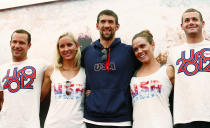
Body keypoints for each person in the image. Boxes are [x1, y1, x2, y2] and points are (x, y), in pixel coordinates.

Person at [82, 9, 140, 128]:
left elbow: (145, 70)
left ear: (117, 26)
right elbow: (77, 73)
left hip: (121, 119)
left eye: (110, 22)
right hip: (92, 119)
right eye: (103, 22)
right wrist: (89, 92)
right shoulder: (87, 52)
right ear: (97, 26)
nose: (107, 25)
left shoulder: (129, 51)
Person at [167, 8, 210, 128]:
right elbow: (171, 80)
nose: (191, 22)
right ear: (182, 26)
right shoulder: (173, 52)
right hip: (183, 118)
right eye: (187, 20)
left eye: (195, 19)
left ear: (203, 24)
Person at [0, 29, 47, 128]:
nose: (17, 46)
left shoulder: (40, 65)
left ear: (29, 46)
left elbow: (64, 69)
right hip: (5, 125)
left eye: (22, 43)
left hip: (30, 125)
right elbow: (1, 99)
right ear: (10, 43)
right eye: (14, 42)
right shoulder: (2, 69)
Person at [41, 32, 86, 128]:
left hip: (78, 125)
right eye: (62, 46)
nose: (66, 49)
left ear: (76, 46)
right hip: (53, 125)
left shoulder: (85, 72)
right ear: (58, 49)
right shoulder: (51, 71)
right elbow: (40, 98)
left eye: (69, 45)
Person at [130, 30, 174, 128]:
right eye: (135, 49)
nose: (139, 51)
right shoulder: (133, 78)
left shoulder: (168, 71)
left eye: (142, 46)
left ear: (152, 45)